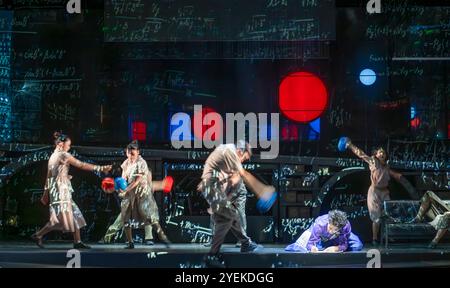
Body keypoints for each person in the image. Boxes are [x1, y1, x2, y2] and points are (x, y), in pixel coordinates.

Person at [31, 132, 111, 249]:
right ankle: (38, 235)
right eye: (68, 145)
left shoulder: (52, 157)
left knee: (74, 213)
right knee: (59, 218)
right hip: (60, 190)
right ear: (60, 144)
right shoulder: (64, 155)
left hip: (58, 189)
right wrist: (100, 168)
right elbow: (81, 165)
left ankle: (77, 241)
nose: (69, 147)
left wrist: (46, 193)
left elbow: (49, 177)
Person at [199, 140, 261, 268]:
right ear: (240, 151)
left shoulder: (226, 151)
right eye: (245, 157)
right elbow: (240, 175)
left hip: (213, 187)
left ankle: (245, 243)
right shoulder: (231, 152)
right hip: (212, 187)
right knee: (227, 218)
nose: (243, 160)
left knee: (231, 215)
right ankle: (212, 255)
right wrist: (263, 190)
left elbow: (229, 179)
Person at [345, 140, 404, 246]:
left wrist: (397, 175)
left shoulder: (387, 166)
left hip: (385, 192)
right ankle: (375, 239)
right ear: (376, 154)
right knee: (376, 218)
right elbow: (361, 154)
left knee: (389, 214)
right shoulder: (373, 161)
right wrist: (350, 145)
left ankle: (388, 236)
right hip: (374, 192)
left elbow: (388, 173)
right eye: (380, 152)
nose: (382, 154)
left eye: (384, 152)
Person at [118, 140, 170, 249]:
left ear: (138, 152)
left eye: (133, 154)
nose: (130, 156)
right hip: (130, 192)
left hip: (142, 193)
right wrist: (121, 189)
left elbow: (137, 181)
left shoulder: (142, 163)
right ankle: (130, 242)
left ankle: (162, 236)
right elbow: (123, 178)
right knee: (125, 216)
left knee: (149, 217)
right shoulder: (126, 163)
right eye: (128, 153)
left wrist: (126, 189)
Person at [285, 210, 363, 253]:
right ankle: (323, 246)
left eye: (335, 229)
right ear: (329, 222)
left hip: (338, 238)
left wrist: (336, 248)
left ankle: (329, 246)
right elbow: (310, 243)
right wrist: (312, 247)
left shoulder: (345, 226)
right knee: (302, 247)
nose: (331, 231)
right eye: (330, 228)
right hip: (322, 237)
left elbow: (344, 243)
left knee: (357, 245)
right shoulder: (319, 224)